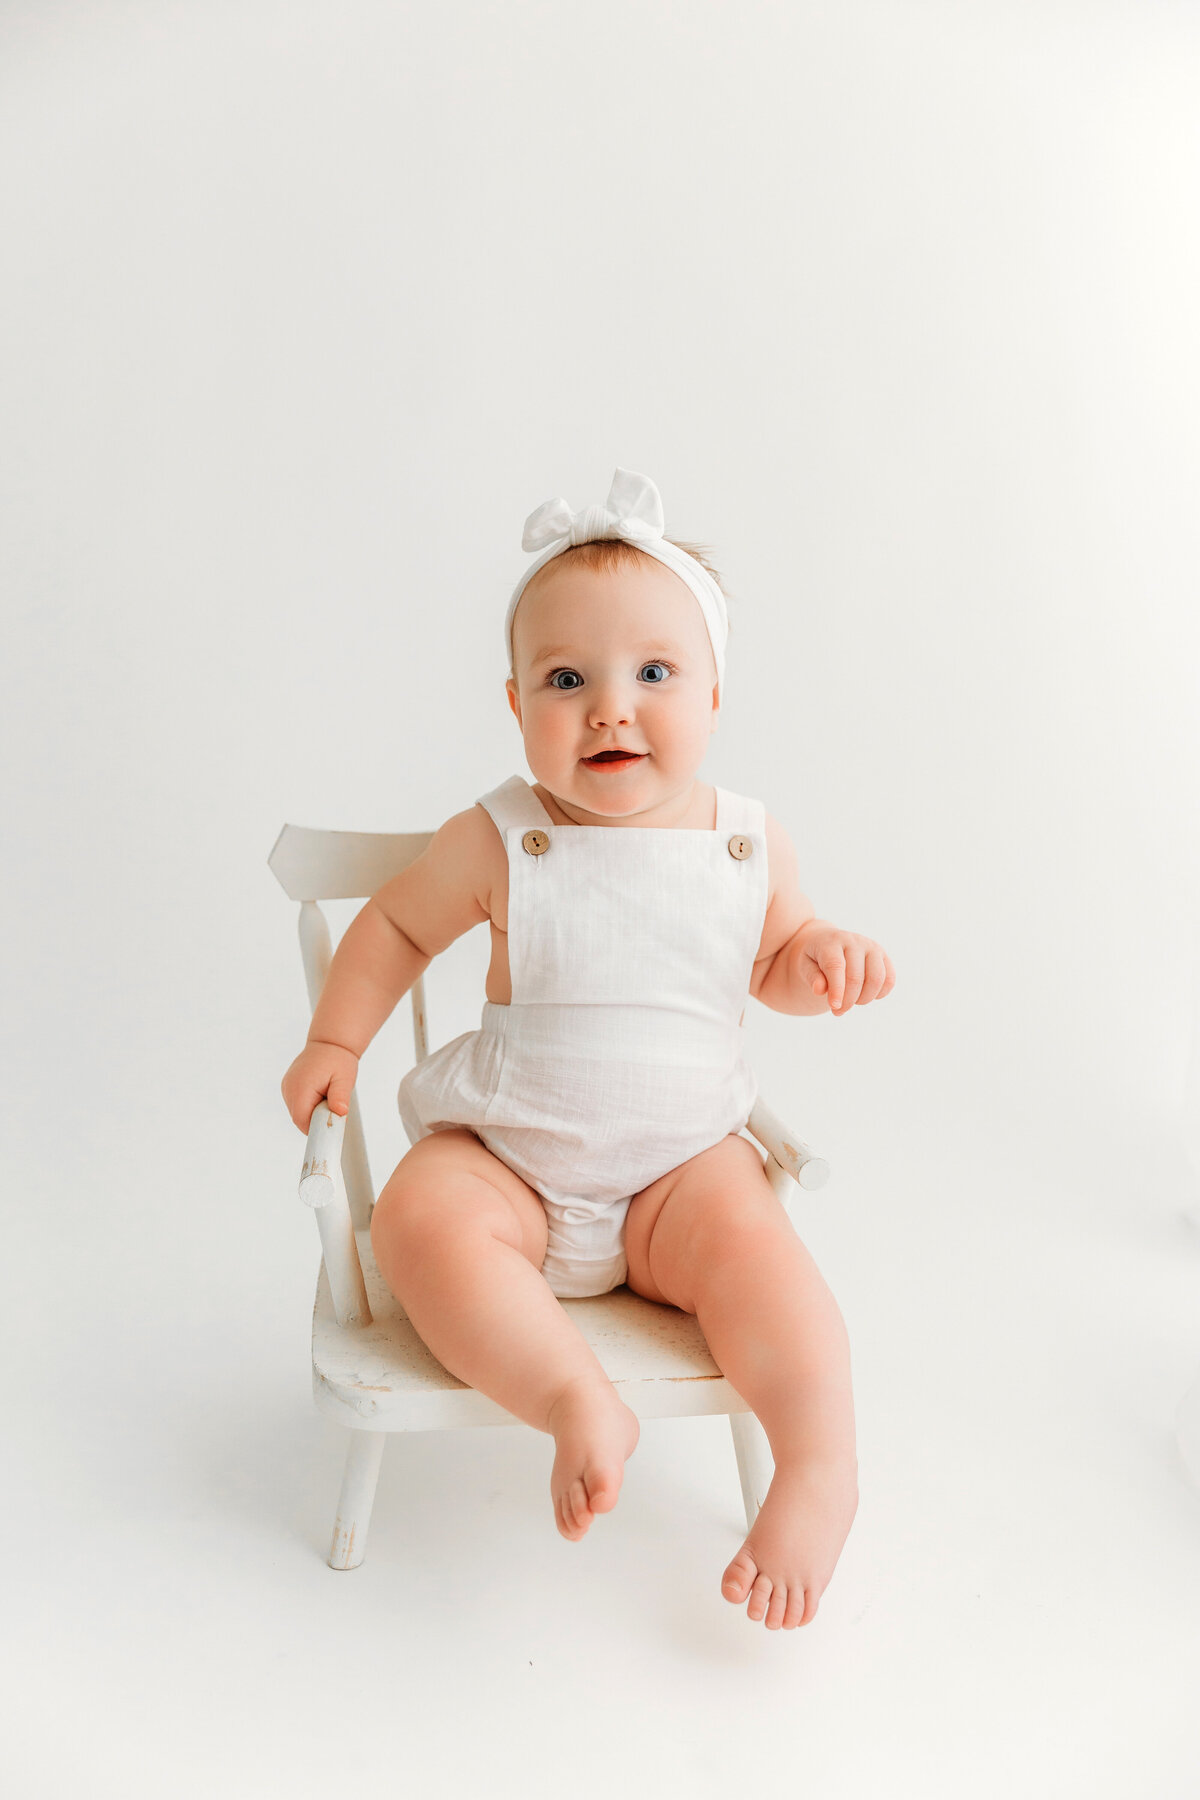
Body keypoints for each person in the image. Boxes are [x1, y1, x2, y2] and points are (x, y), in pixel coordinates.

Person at [281, 467, 896, 1631]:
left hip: (677, 1175)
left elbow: (766, 970)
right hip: (512, 1157)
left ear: (715, 696)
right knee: (420, 1215)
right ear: (515, 706)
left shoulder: (745, 844)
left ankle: (820, 1464)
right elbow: (400, 926)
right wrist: (335, 1036)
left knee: (767, 1260)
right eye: (568, 680)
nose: (611, 707)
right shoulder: (504, 834)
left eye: (655, 673)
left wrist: (816, 961)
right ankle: (572, 1394)